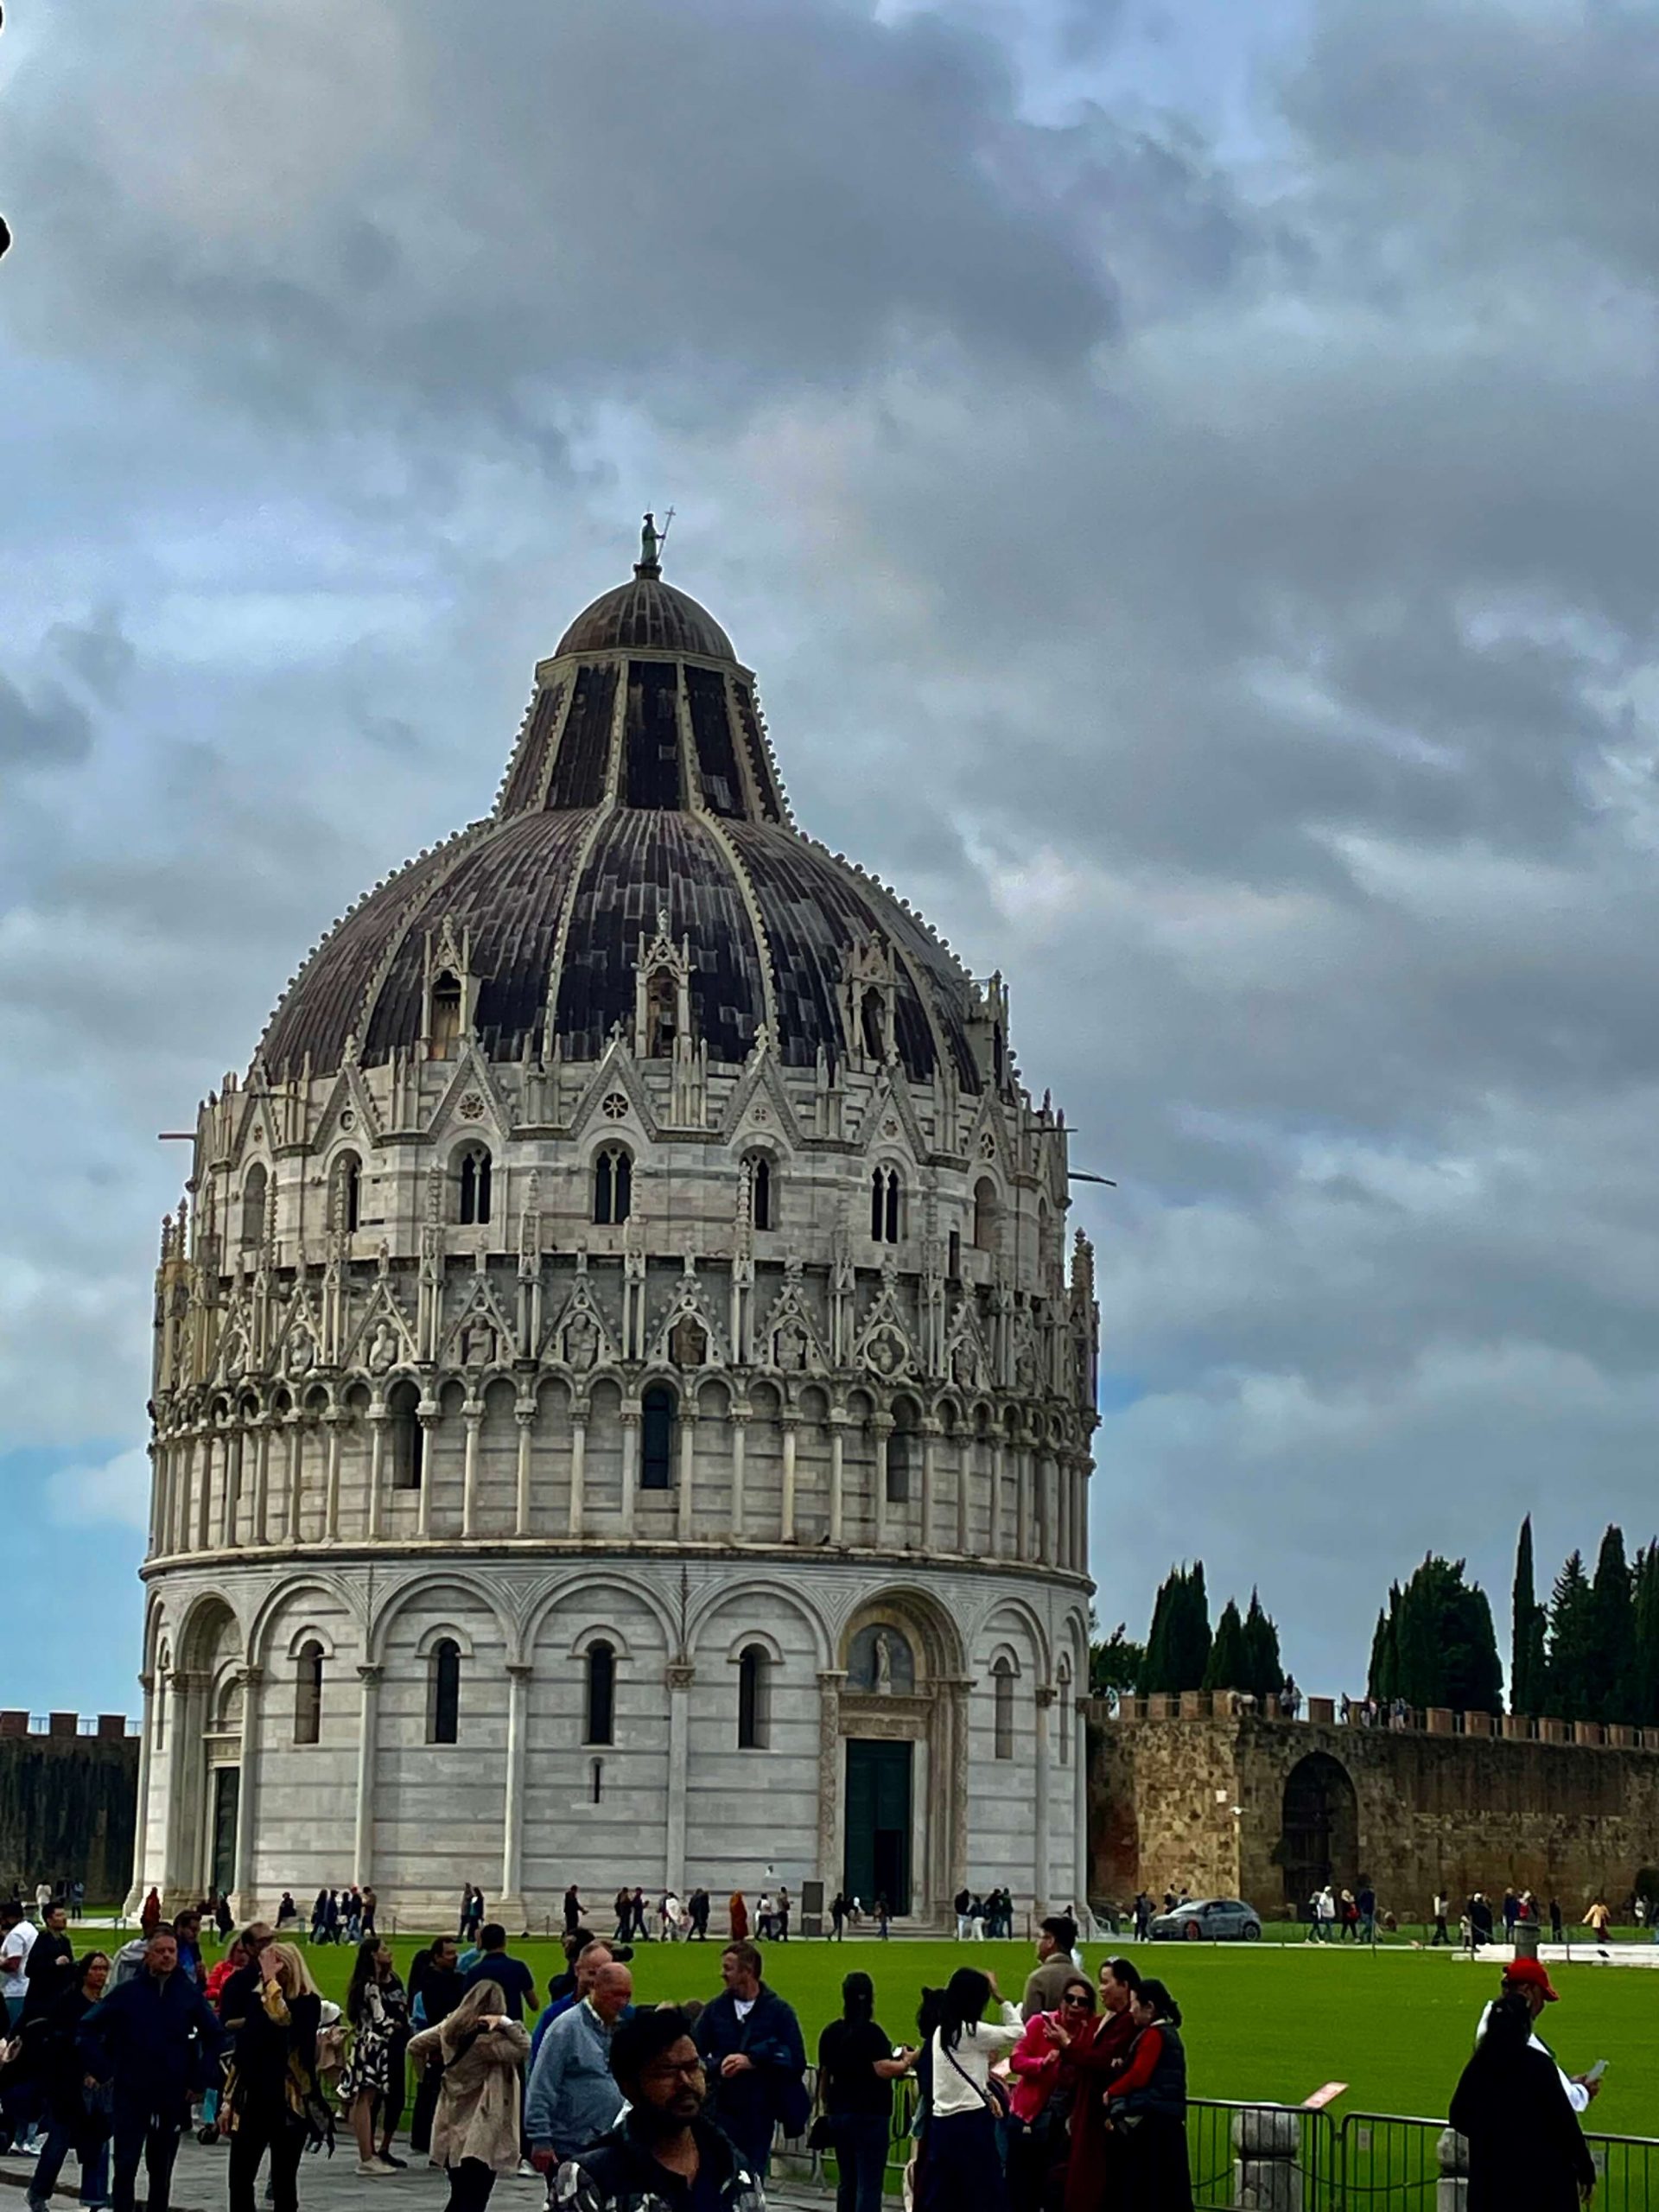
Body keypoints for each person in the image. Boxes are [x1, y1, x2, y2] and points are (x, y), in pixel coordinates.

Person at [555, 2005, 765, 2210]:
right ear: (629, 2086)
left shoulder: (733, 2168)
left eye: (692, 2068)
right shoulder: (592, 2177)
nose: (686, 2082)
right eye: (667, 2072)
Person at [78, 1929, 222, 2212]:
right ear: (148, 1957)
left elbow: (214, 2035)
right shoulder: (128, 1993)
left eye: (172, 1951)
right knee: (126, 2165)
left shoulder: (186, 1993)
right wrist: (105, 2069)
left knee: (161, 2168)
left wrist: (199, 2078)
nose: (167, 1956)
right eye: (161, 1951)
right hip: (131, 2090)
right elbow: (87, 2027)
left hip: (171, 2092)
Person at [1452, 1990, 1594, 2212]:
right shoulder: (1538, 2065)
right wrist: (1585, 2168)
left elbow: (1458, 2115)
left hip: (1492, 2181)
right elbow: (1565, 2122)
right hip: (1541, 2182)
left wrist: (1490, 2134)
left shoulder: (1479, 2065)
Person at [408, 1980, 530, 2212]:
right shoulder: (489, 2042)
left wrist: (424, 2076)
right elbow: (524, 2047)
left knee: (459, 2193)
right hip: (482, 2123)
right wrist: (505, 2022)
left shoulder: (448, 2029)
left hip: (452, 2118)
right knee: (476, 2197)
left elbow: (415, 2045)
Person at [222, 1942, 326, 2212]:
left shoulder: (307, 2003)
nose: (267, 1971)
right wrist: (228, 2100)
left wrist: (270, 1983)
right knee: (240, 2179)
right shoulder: (258, 2001)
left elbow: (283, 2021)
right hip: (254, 2098)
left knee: (283, 2182)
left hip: (287, 2104)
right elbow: (243, 2053)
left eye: (275, 1965)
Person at [693, 1941, 808, 2180]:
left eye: (728, 1968)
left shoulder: (779, 2012)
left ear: (747, 1971)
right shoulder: (715, 2010)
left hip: (761, 2112)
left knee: (753, 2180)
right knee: (719, 2177)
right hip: (722, 2112)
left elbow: (797, 2060)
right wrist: (719, 2065)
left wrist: (754, 2061)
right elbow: (693, 2056)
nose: (722, 1974)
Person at [918, 1967, 1020, 2212]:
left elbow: (958, 2078)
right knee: (984, 2193)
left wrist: (985, 2094)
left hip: (943, 2123)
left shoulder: (941, 2033)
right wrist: (1002, 1999)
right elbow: (1018, 2032)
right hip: (971, 2123)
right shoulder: (972, 2032)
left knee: (945, 2195)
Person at [22, 1948, 113, 2212]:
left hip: (99, 2086)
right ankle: (38, 2192)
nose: (100, 1974)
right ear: (84, 1973)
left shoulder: (105, 2005)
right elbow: (61, 2044)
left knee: (99, 2139)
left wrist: (102, 2072)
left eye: (103, 1969)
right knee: (60, 2140)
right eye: (95, 1968)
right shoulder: (69, 2004)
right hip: (67, 2085)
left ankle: (95, 2198)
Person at [816, 1971, 915, 2212]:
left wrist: (827, 2106)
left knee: (847, 2181)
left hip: (840, 2112)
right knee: (869, 2184)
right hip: (870, 2114)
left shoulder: (831, 2033)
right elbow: (881, 2068)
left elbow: (824, 2077)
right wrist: (906, 2063)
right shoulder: (872, 2034)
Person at [525, 1963, 633, 2178]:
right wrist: (540, 2139)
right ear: (595, 1988)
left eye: (627, 1995)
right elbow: (542, 2084)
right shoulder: (565, 2028)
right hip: (570, 2145)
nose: (623, 2002)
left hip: (612, 2144)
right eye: (616, 1994)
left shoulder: (623, 2028)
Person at [1102, 1977, 1192, 2210]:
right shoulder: (1169, 2034)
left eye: (1134, 2004)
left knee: (1148, 2190)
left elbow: (1140, 2075)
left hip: (1153, 2125)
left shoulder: (1154, 2035)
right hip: (1168, 2120)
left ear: (1149, 2007)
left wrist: (1113, 2091)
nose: (1131, 2010)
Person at [1061, 1956, 1143, 2212]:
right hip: (1088, 2113)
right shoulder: (1103, 2022)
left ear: (1124, 1986)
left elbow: (1101, 2060)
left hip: (1103, 2119)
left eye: (1106, 1982)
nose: (1101, 1989)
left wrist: (1067, 2044)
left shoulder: (1127, 2023)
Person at [1007, 1972, 1093, 2212]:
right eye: (1070, 1999)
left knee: (1054, 2189)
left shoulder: (1089, 2035)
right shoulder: (1039, 2024)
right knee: (1021, 2189)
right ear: (1062, 2001)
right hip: (1030, 2116)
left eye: (1082, 2002)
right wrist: (1042, 2064)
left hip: (1065, 2124)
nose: (1075, 2005)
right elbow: (1016, 2061)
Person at [1476, 1957, 1599, 2115]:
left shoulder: (1491, 2024)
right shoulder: (1519, 2040)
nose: (1541, 2006)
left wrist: (1567, 2084)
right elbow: (1565, 2100)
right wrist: (1584, 2091)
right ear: (1528, 1991)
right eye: (1542, 1997)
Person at [338, 1936, 410, 2174]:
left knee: (367, 2098)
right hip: (374, 2046)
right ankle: (367, 2156)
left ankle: (369, 2152)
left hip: (369, 2045)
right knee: (366, 2098)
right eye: (384, 1949)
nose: (389, 1952)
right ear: (373, 1955)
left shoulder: (367, 1984)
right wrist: (398, 2026)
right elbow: (380, 2020)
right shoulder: (371, 1987)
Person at [409, 1937, 467, 2159]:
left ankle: (425, 2138)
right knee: (436, 2092)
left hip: (443, 2041)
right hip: (440, 2042)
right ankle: (432, 2139)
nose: (455, 1957)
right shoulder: (435, 1982)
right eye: (449, 1954)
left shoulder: (443, 1979)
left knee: (431, 2091)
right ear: (436, 1957)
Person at [530, 1943, 612, 2063]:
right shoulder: (555, 2013)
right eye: (592, 1973)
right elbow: (538, 2058)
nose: (597, 1981)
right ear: (577, 1970)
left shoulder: (624, 2015)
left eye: (604, 1975)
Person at [461, 1927, 537, 2024]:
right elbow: (534, 2004)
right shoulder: (518, 1967)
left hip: (483, 2029)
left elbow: (466, 2006)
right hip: (511, 2028)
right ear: (504, 1941)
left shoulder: (474, 1972)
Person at [1022, 1916, 1082, 2021]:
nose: (1037, 1943)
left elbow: (1030, 2025)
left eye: (1040, 1937)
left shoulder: (1038, 1979)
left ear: (1050, 1941)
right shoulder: (1084, 1980)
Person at [23, 1907, 76, 2024]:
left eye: (64, 1915)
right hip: (41, 2001)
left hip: (61, 1999)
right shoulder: (41, 1941)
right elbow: (30, 1969)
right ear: (49, 1920)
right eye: (59, 1915)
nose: (64, 1919)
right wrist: (54, 1964)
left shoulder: (64, 1941)